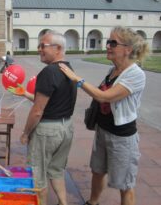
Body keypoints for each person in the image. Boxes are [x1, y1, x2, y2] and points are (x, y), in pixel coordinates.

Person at [59, 26, 149, 205]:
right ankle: (93, 202)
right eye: (108, 42)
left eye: (113, 43)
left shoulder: (136, 74)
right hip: (103, 130)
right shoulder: (113, 70)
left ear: (128, 49)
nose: (108, 46)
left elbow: (103, 96)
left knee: (125, 183)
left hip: (122, 137)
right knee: (97, 170)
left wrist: (77, 79)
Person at [19, 30, 77, 205]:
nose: (39, 49)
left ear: (58, 48)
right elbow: (54, 100)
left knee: (38, 173)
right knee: (57, 169)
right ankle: (63, 203)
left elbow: (38, 110)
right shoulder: (68, 68)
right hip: (66, 127)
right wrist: (26, 94)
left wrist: (25, 133)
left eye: (42, 46)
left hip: (47, 131)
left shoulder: (49, 72)